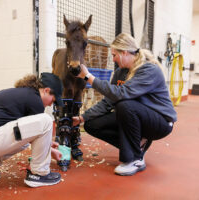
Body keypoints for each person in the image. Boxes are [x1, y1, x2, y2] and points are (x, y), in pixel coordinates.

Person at [73, 33, 177, 176]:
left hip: (160, 122)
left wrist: (89, 77)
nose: (113, 59)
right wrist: (83, 118)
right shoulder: (119, 73)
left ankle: (134, 159)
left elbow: (121, 93)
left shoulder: (149, 69)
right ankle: (138, 145)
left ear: (125, 52)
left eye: (115, 55)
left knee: (125, 105)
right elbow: (109, 101)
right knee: (91, 124)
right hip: (135, 115)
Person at [0, 72, 64, 187]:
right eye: (53, 100)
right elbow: (37, 131)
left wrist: (48, 145)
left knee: (25, 142)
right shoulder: (35, 100)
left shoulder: (26, 94)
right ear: (46, 90)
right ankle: (39, 174)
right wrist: (50, 152)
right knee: (46, 120)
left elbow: (30, 135)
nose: (50, 105)